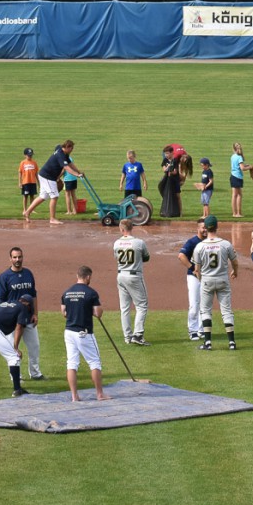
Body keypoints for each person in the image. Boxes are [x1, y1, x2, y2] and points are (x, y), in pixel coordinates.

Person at [61, 266, 110, 402]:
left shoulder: (67, 293)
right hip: (84, 333)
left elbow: (64, 313)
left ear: (77, 276)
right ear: (88, 277)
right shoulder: (91, 293)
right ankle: (100, 394)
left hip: (69, 332)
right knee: (94, 362)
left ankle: (74, 396)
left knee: (72, 363)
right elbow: (98, 313)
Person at [0, 247, 43, 380]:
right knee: (13, 348)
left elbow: (33, 295)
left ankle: (35, 373)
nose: (17, 260)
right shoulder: (5, 277)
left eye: (20, 257)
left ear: (23, 257)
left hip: (29, 318)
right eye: (15, 257)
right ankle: (16, 376)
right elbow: (1, 301)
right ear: (10, 259)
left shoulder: (28, 273)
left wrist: (35, 314)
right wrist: (7, 318)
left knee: (34, 347)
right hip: (13, 320)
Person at [192, 215, 240, 350]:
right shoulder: (226, 244)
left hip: (207, 280)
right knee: (226, 311)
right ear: (217, 227)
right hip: (223, 279)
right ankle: (232, 342)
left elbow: (197, 269)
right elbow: (235, 262)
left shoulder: (200, 246)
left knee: (205, 311)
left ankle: (207, 342)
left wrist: (200, 278)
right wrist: (235, 271)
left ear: (206, 228)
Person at [25, 140, 83, 225]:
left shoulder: (63, 152)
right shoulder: (60, 155)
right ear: (67, 147)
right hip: (48, 177)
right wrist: (77, 174)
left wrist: (79, 172)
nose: (72, 150)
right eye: (71, 148)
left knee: (43, 196)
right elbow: (66, 168)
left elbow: (70, 163)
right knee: (54, 196)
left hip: (44, 175)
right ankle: (52, 219)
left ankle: (27, 212)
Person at [114, 218, 151, 346]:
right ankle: (138, 335)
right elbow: (146, 257)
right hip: (134, 276)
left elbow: (116, 257)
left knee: (124, 308)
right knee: (141, 305)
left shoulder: (116, 243)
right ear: (132, 228)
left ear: (121, 229)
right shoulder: (139, 243)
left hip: (121, 275)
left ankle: (128, 337)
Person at [178, 218, 208, 341]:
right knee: (194, 305)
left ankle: (201, 330)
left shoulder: (210, 242)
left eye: (206, 227)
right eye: (203, 227)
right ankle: (193, 330)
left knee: (204, 305)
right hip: (194, 277)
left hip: (207, 276)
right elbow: (181, 256)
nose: (205, 230)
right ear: (198, 228)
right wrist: (192, 268)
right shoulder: (192, 242)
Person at [230, 142, 253, 218]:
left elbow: (238, 166)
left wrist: (246, 165)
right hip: (237, 177)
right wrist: (250, 167)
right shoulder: (239, 157)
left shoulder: (233, 156)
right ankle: (238, 213)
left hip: (233, 176)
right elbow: (242, 168)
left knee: (234, 195)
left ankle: (234, 213)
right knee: (238, 195)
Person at [159, 145, 183, 218]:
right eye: (165, 154)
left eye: (167, 153)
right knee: (166, 194)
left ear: (172, 152)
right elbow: (164, 169)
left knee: (177, 196)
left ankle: (180, 211)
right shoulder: (165, 160)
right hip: (167, 181)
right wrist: (167, 168)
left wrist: (170, 171)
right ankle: (166, 210)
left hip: (175, 180)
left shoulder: (175, 161)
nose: (166, 155)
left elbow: (175, 172)